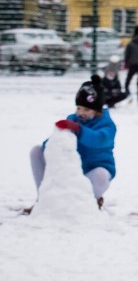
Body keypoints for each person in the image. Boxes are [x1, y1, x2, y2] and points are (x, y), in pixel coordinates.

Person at [29, 75, 117, 210]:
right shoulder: (73, 119)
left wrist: (78, 130)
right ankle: (45, 200)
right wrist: (54, 140)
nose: (80, 113)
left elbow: (98, 139)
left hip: (92, 172)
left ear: (98, 110)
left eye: (86, 109)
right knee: (36, 151)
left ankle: (88, 202)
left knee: (101, 175)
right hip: (70, 170)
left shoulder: (107, 126)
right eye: (79, 108)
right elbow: (51, 145)